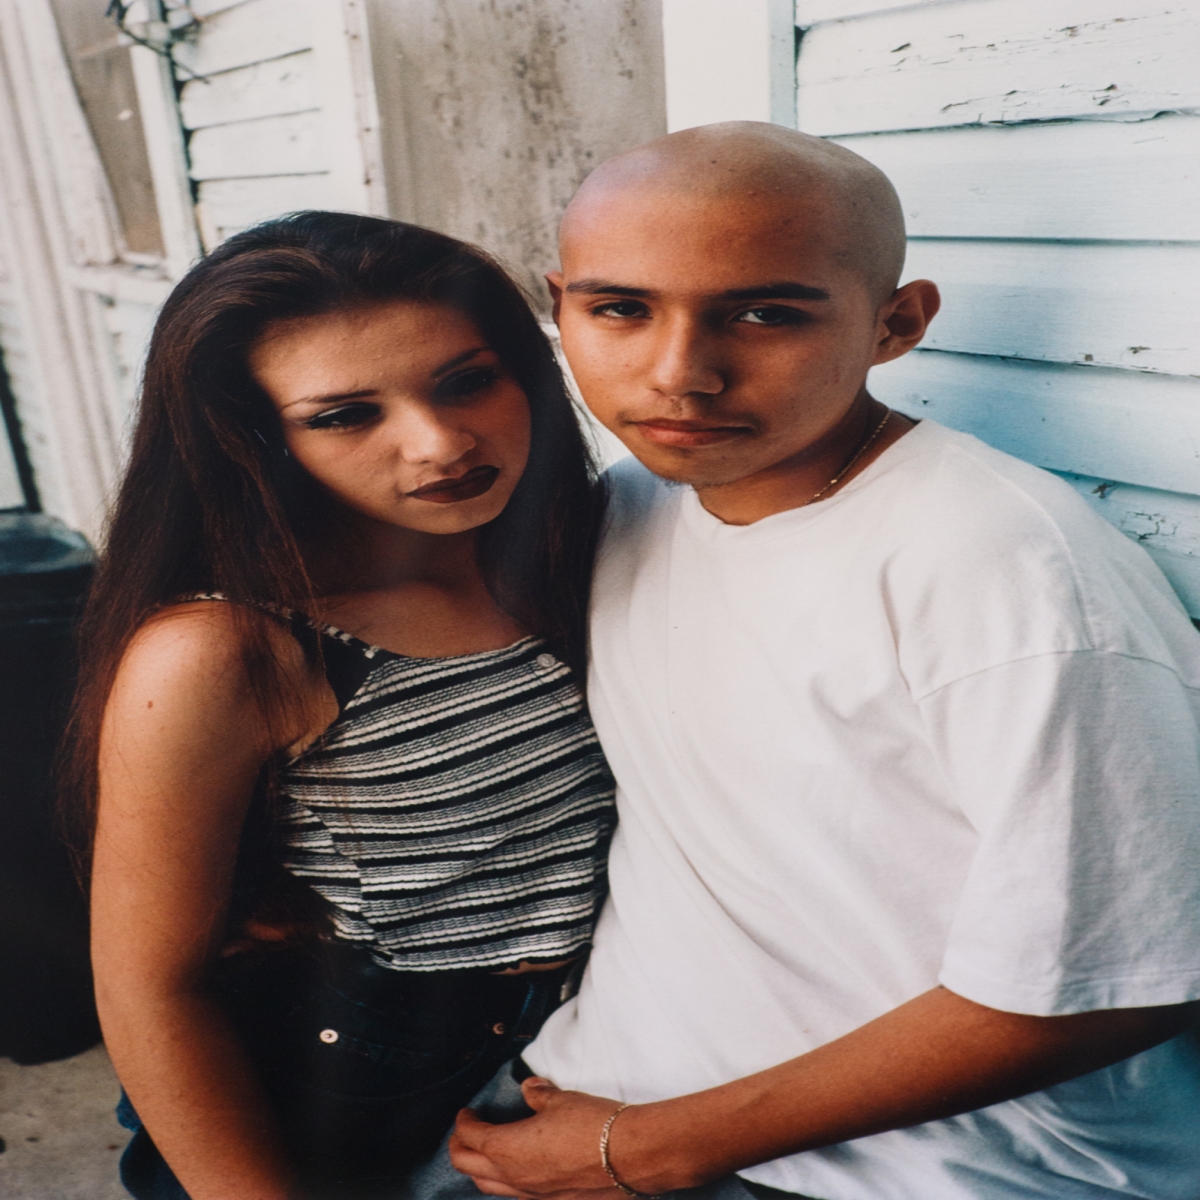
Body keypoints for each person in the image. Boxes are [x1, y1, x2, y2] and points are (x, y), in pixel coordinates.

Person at [430, 123, 1200, 1199]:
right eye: (620, 309)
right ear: (560, 307)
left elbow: (1118, 980)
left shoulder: (1004, 570)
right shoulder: (631, 502)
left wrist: (651, 1149)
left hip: (929, 1172)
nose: (680, 373)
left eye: (764, 313)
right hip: (598, 1091)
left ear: (897, 322)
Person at [62, 212, 616, 1200]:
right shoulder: (231, 651)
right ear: (257, 440)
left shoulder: (584, 552)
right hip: (367, 1092)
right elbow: (151, 986)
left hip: (604, 1049)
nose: (440, 441)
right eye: (344, 415)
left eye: (467, 379)